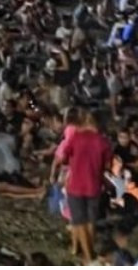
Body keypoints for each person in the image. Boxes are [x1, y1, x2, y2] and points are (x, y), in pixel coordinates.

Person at [52, 109, 112, 263]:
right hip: (94, 185)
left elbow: (64, 157)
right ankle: (89, 251)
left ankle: (88, 255)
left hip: (75, 184)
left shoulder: (76, 138)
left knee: (79, 221)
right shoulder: (103, 142)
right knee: (91, 221)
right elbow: (107, 165)